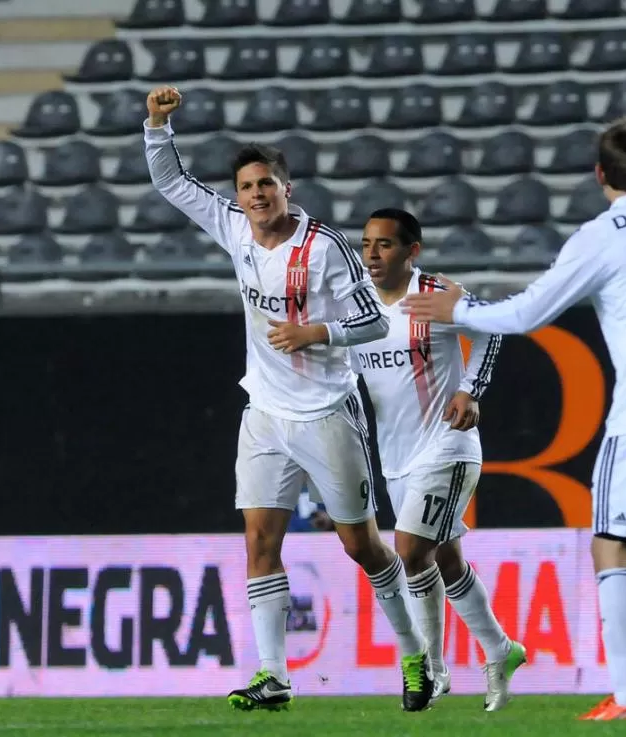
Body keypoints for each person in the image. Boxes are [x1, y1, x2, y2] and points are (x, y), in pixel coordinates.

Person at [404, 116, 626, 721]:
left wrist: (461, 308)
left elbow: (528, 314)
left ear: (600, 176)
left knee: (614, 545)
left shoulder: (604, 234)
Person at [143, 86, 434, 713]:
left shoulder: (325, 249)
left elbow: (376, 323)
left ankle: (415, 657)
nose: (255, 196)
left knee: (361, 546)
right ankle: (273, 674)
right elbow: (173, 184)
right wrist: (156, 125)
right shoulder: (233, 229)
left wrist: (317, 331)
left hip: (327, 411)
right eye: (247, 186)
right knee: (259, 541)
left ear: (286, 189)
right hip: (266, 414)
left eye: (266, 185)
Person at [357, 209, 527, 711]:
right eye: (366, 243)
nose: (371, 253)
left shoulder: (437, 294)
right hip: (395, 456)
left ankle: (428, 669)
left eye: (384, 244)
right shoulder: (356, 304)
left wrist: (470, 389)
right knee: (445, 561)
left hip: (448, 444)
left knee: (409, 550)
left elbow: (492, 329)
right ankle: (501, 650)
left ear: (412, 251)